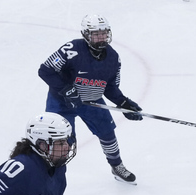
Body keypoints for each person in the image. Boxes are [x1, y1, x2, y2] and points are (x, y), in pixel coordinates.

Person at [39, 14, 143, 185]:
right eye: (96, 33)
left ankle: (116, 166)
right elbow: (45, 70)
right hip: (61, 103)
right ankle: (53, 183)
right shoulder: (71, 49)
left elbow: (109, 87)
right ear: (86, 34)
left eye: (104, 33)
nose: (101, 37)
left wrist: (123, 103)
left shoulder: (113, 58)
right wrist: (66, 89)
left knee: (108, 134)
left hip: (92, 101)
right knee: (61, 144)